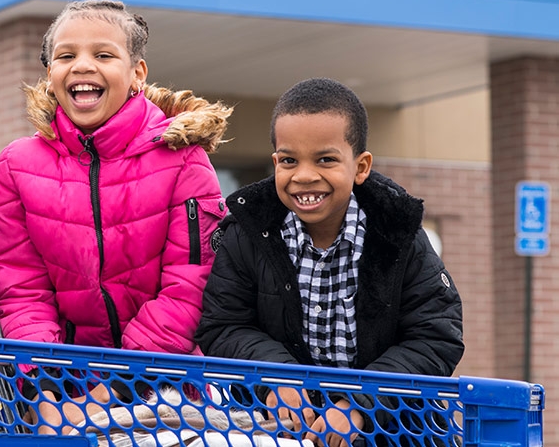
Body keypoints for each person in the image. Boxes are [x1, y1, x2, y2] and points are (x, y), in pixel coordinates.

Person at [0, 0, 232, 431]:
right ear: (50, 73)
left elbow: (190, 287)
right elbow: (19, 289)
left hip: (167, 389)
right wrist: (48, 393)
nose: (82, 66)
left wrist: (110, 392)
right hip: (63, 394)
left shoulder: (184, 160)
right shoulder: (17, 165)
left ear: (137, 73)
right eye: (66, 55)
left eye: (102, 54)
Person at [195, 77, 464, 447]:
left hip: (392, 431)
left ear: (361, 166)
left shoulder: (398, 235)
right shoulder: (247, 233)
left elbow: (436, 336)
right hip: (280, 430)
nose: (304, 176)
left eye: (326, 159)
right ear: (275, 163)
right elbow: (223, 325)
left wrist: (361, 403)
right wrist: (276, 377)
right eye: (289, 160)